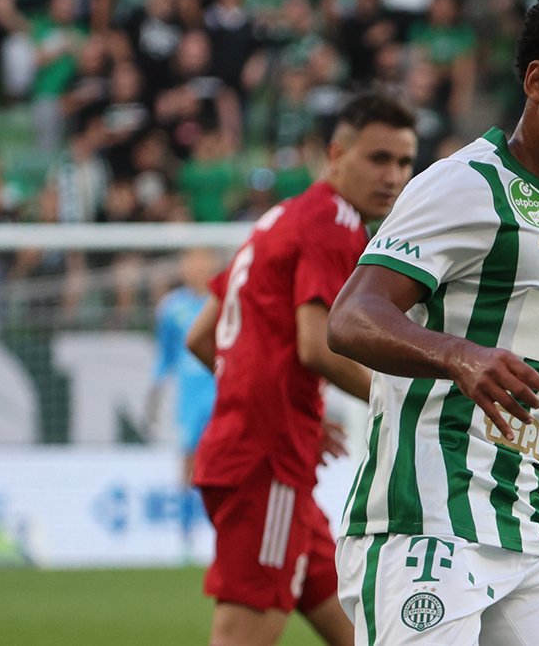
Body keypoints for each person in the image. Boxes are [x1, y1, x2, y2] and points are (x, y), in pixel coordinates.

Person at [325, 0, 539, 646]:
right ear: (538, 82)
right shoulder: (466, 183)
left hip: (532, 535)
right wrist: (458, 355)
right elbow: (352, 315)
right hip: (426, 529)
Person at [184, 88, 418, 646]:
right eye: (378, 158)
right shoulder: (332, 221)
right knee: (242, 635)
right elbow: (319, 347)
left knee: (364, 630)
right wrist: (408, 405)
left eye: (404, 162)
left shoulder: (284, 216)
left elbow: (202, 337)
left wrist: (279, 406)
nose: (392, 176)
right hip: (266, 462)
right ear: (336, 154)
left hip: (262, 452)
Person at [144, 247, 220, 558]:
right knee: (188, 465)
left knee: (224, 460)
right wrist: (155, 392)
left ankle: (223, 535)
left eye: (203, 260)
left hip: (221, 390)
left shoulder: (222, 301)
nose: (197, 267)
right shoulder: (171, 307)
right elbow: (165, 355)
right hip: (189, 397)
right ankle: (186, 539)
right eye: (191, 261)